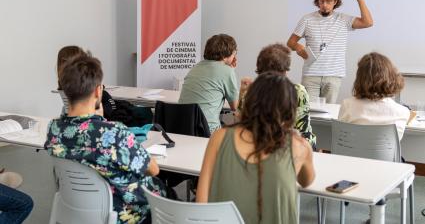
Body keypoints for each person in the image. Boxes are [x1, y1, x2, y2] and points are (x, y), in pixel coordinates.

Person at [45, 55, 169, 224]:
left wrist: (100, 120)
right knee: (164, 192)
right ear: (98, 91)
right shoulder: (114, 132)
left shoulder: (54, 129)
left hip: (75, 209)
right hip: (121, 212)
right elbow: (152, 169)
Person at [196, 72, 315, 224]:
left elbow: (201, 202)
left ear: (251, 101)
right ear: (289, 109)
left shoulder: (219, 137)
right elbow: (306, 181)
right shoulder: (298, 147)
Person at [287, 0, 373, 103]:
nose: (325, 5)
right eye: (321, 1)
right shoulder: (307, 19)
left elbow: (368, 22)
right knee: (308, 113)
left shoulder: (343, 19)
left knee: (328, 114)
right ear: (317, 2)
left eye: (329, 1)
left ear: (335, 2)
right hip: (311, 75)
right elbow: (290, 42)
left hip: (333, 76)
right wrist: (297, 46)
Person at [239, 43, 316, 149]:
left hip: (255, 146)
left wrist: (242, 93)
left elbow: (241, 123)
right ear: (285, 70)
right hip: (289, 148)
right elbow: (303, 131)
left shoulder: (252, 90)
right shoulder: (297, 91)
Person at [338, 52, 416, 140]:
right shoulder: (403, 112)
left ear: (359, 78)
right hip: (387, 154)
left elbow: (340, 137)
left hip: (349, 153)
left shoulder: (347, 105)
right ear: (391, 77)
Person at [179, 34, 239, 132]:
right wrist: (231, 71)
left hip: (182, 127)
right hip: (206, 130)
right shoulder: (227, 71)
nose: (235, 57)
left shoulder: (196, 67)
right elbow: (235, 107)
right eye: (234, 54)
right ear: (225, 56)